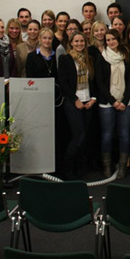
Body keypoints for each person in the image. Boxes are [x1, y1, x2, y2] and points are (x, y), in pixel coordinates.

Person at [95, 29, 130, 179]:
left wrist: (124, 101)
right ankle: (107, 166)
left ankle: (123, 166)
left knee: (124, 134)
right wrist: (113, 102)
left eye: (113, 39)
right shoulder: (102, 58)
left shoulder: (128, 56)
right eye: (108, 40)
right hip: (107, 103)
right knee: (107, 135)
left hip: (126, 102)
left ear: (119, 39)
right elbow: (99, 82)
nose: (110, 42)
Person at [57, 31, 97, 180]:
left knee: (85, 136)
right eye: (76, 41)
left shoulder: (89, 59)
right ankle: (67, 169)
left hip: (88, 102)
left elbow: (93, 80)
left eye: (82, 41)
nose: (79, 44)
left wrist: (93, 98)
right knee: (78, 136)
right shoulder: (65, 59)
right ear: (71, 43)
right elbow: (63, 82)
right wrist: (75, 100)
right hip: (73, 102)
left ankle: (81, 167)